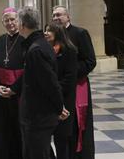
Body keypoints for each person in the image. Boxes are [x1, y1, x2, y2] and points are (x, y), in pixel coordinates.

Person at [16, 6, 68, 159]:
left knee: (36, 154)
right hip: (37, 114)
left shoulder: (36, 49)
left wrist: (59, 107)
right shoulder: (37, 45)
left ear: (23, 25)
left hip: (38, 115)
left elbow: (50, 83)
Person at [52, 5, 96, 159]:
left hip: (78, 86)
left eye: (59, 15)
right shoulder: (53, 37)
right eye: (54, 16)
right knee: (62, 125)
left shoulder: (80, 33)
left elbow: (90, 61)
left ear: (68, 17)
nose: (56, 18)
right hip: (60, 87)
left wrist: (70, 74)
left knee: (78, 125)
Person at [0, 7, 25, 159]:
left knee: (19, 129)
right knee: (2, 129)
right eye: (6, 20)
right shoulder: (1, 40)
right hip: (1, 93)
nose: (10, 23)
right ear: (3, 22)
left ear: (18, 21)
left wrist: (14, 89)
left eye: (13, 20)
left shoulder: (25, 40)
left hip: (20, 93)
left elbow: (30, 69)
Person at [45, 23, 78, 159]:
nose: (45, 33)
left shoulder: (69, 50)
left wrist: (54, 90)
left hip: (64, 99)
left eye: (49, 31)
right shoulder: (45, 49)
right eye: (45, 30)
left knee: (61, 138)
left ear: (57, 33)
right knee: (45, 137)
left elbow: (70, 78)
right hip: (48, 99)